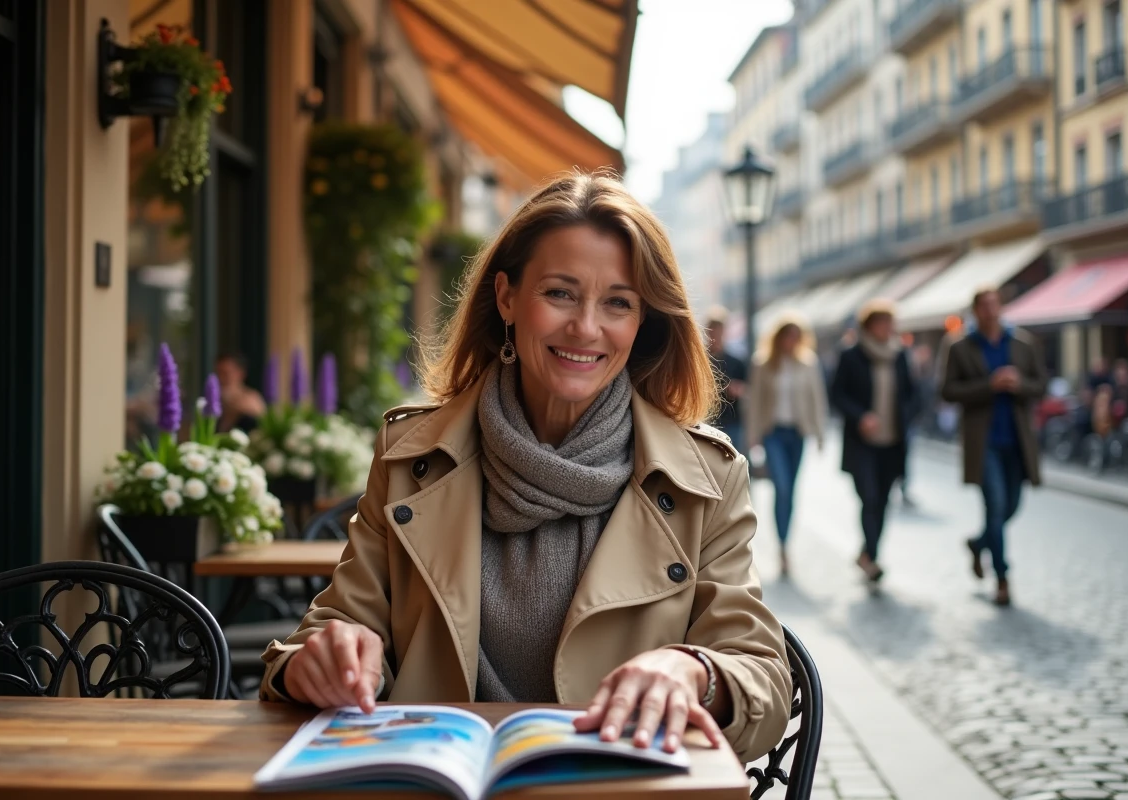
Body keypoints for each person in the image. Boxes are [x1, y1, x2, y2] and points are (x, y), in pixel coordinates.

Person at [259, 173, 792, 763]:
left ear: (643, 321)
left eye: (618, 303)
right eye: (560, 293)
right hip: (431, 780)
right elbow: (329, 630)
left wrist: (694, 672)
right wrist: (324, 659)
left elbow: (765, 682)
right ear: (507, 297)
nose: (586, 327)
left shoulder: (707, 478)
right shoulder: (409, 455)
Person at [940, 286, 1046, 607]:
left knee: (1011, 506)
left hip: (1017, 439)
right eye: (983, 306)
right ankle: (1002, 577)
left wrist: (1019, 384)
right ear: (975, 311)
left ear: (1001, 307)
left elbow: (1040, 385)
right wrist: (989, 385)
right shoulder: (960, 346)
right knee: (995, 505)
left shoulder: (1023, 343)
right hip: (982, 441)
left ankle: (978, 543)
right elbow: (947, 391)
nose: (990, 311)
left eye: (994, 304)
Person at [830, 300, 918, 587]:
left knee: (882, 500)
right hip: (862, 442)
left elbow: (914, 394)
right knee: (868, 497)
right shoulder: (851, 355)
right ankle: (872, 557)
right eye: (881, 323)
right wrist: (861, 417)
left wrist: (904, 416)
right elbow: (838, 394)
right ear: (868, 326)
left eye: (889, 323)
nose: (886, 328)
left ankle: (868, 554)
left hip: (893, 441)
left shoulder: (900, 355)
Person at [746, 314, 827, 577]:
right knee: (781, 486)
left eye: (796, 336)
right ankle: (781, 546)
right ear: (778, 338)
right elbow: (755, 401)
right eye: (787, 336)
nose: (791, 341)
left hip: (797, 433)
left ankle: (785, 544)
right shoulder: (763, 363)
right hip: (773, 434)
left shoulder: (808, 364)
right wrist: (753, 436)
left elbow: (817, 398)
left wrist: (820, 433)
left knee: (790, 490)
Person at [705, 306, 748, 448]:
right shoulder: (700, 360)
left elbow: (748, 388)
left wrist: (737, 389)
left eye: (718, 331)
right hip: (707, 420)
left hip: (732, 420)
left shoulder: (736, 361)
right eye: (712, 331)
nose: (715, 335)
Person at [214, 352, 267, 434]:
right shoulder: (216, 402)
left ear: (240, 373)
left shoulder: (252, 399)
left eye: (226, 373)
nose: (221, 379)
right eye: (218, 373)